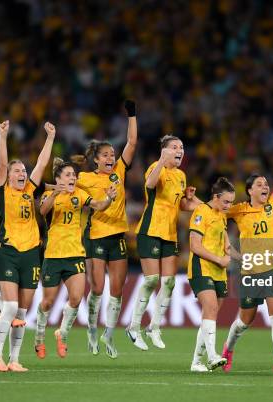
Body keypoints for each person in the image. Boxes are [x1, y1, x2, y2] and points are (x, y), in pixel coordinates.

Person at [221, 138, 273, 373]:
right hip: (251, 272)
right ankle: (228, 349)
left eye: (266, 184)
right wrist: (227, 246)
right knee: (244, 321)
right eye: (260, 185)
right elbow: (215, 214)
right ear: (250, 190)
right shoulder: (240, 209)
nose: (265, 187)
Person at [73, 100, 137, 359]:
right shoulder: (85, 178)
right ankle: (91, 328)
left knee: (118, 290)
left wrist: (132, 115)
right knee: (97, 288)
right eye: (106, 156)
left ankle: (108, 334)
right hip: (96, 235)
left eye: (113, 155)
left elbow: (131, 143)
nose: (111, 158)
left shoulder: (119, 171)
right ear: (96, 160)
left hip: (117, 236)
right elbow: (67, 189)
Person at [0, 120, 55, 372]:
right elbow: (2, 164)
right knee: (10, 306)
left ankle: (14, 359)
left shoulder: (29, 189)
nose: (22, 174)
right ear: (8, 176)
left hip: (31, 256)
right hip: (8, 252)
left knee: (22, 313)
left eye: (23, 171)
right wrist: (2, 136)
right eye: (17, 171)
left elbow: (41, 164)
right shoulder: (2, 191)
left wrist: (50, 138)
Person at [34, 157, 116, 359]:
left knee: (76, 298)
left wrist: (109, 199)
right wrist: (55, 192)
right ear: (58, 178)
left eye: (74, 175)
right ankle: (39, 337)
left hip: (75, 254)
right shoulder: (48, 195)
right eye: (68, 175)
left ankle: (62, 335)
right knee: (47, 302)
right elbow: (43, 211)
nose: (73, 178)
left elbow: (98, 205)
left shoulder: (80, 194)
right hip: (53, 255)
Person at [126, 135, 200, 350]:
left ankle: (154, 327)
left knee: (169, 282)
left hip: (170, 234)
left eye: (182, 147)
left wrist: (192, 202)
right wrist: (160, 160)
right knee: (151, 280)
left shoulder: (181, 175)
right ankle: (133, 326)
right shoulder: (154, 168)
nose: (180, 150)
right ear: (164, 150)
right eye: (175, 147)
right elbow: (149, 185)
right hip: (150, 230)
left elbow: (180, 205)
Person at [188, 177, 235, 372]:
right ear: (215, 197)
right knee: (211, 307)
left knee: (211, 314)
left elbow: (227, 247)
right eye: (226, 201)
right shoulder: (201, 212)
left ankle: (196, 362)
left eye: (231, 202)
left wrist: (247, 260)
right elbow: (194, 246)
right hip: (202, 268)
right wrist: (219, 259)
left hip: (219, 271)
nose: (228, 206)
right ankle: (213, 355)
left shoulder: (221, 215)